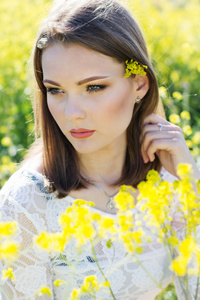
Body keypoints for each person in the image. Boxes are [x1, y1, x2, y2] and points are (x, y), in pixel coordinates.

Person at [0, 0, 200, 299]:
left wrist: (191, 185)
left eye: (94, 87)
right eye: (56, 90)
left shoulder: (170, 177)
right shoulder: (26, 206)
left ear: (139, 84)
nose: (72, 113)